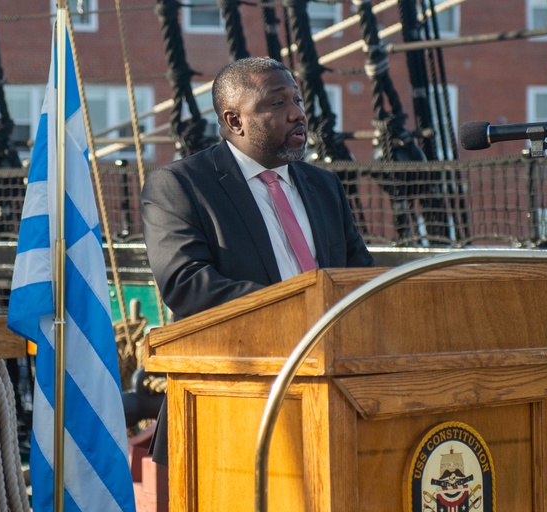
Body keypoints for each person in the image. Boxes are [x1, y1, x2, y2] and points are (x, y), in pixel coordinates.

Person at [141, 57, 375, 465]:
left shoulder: (325, 185)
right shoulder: (179, 185)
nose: (297, 113)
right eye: (276, 103)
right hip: (231, 404)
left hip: (333, 395)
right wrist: (303, 309)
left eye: (298, 100)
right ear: (234, 121)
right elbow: (187, 283)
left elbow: (361, 278)